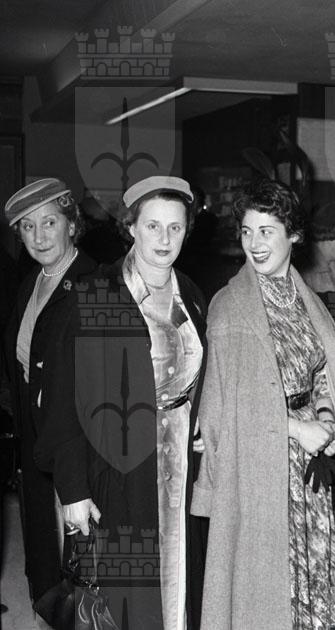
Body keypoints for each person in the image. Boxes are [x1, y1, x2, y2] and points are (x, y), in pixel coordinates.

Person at [191, 179, 335, 630]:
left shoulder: (310, 303)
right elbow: (226, 407)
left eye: (267, 231)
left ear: (294, 235)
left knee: (323, 579)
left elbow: (321, 374)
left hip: (313, 466)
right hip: (262, 467)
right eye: (247, 231)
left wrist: (325, 419)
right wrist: (297, 428)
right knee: (269, 593)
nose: (254, 243)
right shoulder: (230, 307)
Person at [35, 176, 208, 629]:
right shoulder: (100, 295)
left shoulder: (191, 293)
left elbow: (202, 371)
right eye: (153, 226)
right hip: (118, 463)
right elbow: (63, 398)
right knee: (127, 590)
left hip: (180, 462)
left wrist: (201, 420)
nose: (164, 238)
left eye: (175, 227)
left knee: (180, 578)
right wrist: (73, 491)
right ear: (131, 227)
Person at [2, 178, 97, 607]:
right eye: (28, 227)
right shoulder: (32, 283)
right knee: (47, 564)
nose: (39, 236)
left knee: (81, 572)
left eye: (49, 222)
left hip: (76, 449)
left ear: (71, 224)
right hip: (36, 444)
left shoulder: (95, 284)